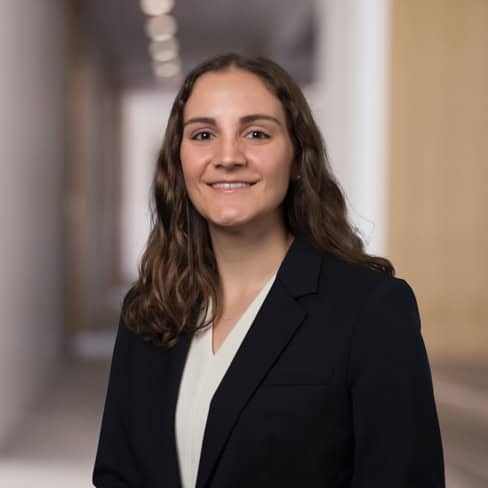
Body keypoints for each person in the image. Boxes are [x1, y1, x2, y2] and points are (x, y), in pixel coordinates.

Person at [92, 52, 445, 488]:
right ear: (178, 160)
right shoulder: (149, 309)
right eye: (203, 134)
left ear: (297, 156)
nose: (227, 156)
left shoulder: (370, 310)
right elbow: (118, 476)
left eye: (256, 133)